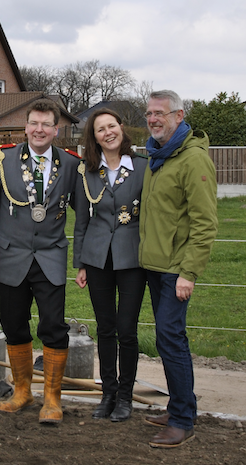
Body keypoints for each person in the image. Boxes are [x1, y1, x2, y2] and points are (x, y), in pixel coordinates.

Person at [0, 98, 80, 424]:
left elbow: (85, 213)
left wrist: (86, 257)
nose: (39, 129)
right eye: (34, 123)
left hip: (50, 256)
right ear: (26, 125)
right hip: (9, 256)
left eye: (47, 124)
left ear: (56, 129)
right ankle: (22, 391)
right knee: (14, 325)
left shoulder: (71, 163)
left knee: (54, 327)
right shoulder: (3, 159)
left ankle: (52, 399)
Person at [139, 90, 218, 448]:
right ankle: (178, 407)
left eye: (160, 113)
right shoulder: (158, 156)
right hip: (156, 265)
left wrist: (189, 273)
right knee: (168, 339)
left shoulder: (192, 160)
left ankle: (183, 421)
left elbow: (205, 224)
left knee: (171, 340)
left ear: (178, 115)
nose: (153, 119)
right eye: (149, 113)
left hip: (175, 269)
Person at [74, 108, 147, 422]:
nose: (108, 132)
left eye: (112, 126)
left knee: (127, 330)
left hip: (133, 258)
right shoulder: (86, 171)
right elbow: (80, 221)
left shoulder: (144, 168)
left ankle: (126, 398)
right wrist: (80, 263)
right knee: (105, 329)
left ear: (121, 128)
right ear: (95, 137)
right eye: (100, 129)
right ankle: (108, 394)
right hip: (97, 258)